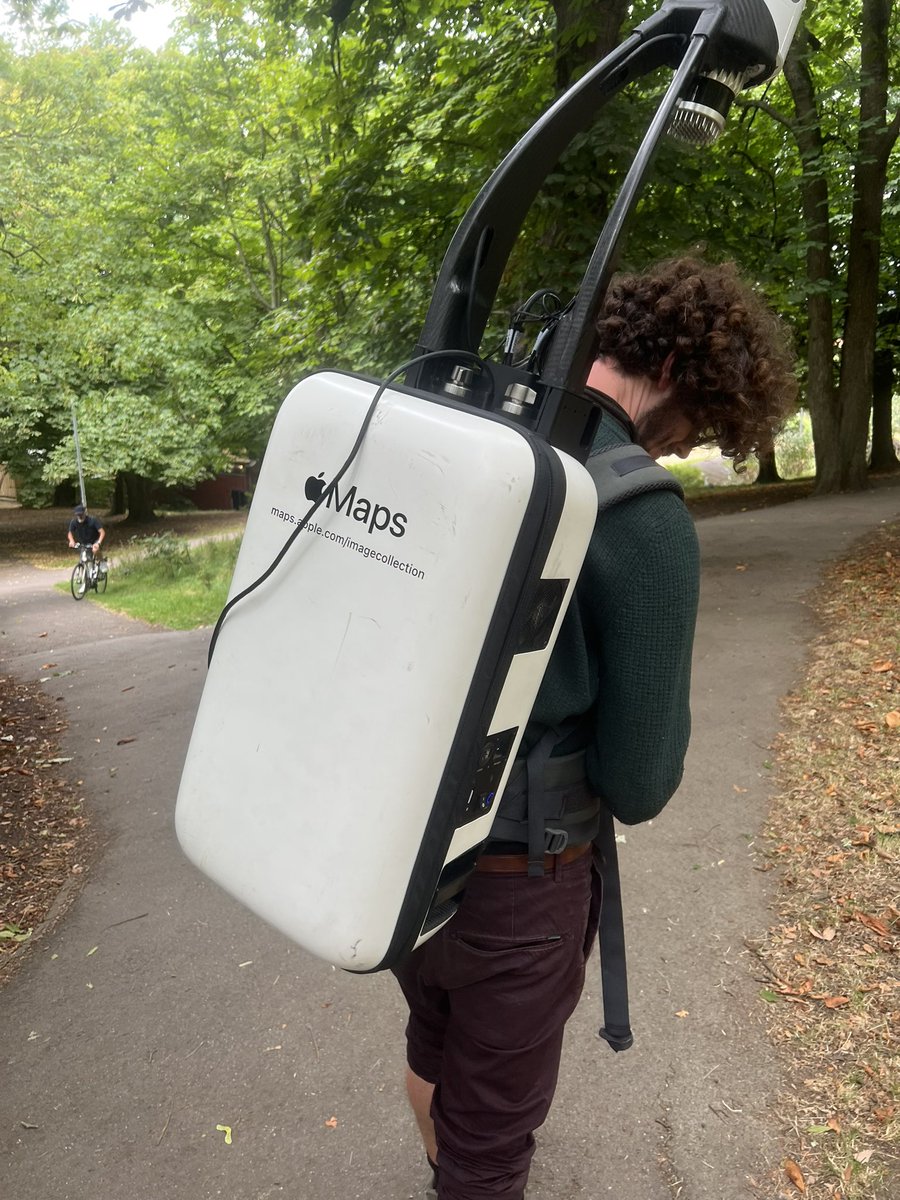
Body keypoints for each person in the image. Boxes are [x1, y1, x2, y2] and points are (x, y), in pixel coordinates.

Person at [391, 257, 798, 1200]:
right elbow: (642, 779)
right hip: (518, 888)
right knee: (490, 1147)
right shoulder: (644, 523)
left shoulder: (466, 437)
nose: (675, 448)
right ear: (685, 386)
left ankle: (431, 1164)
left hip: (399, 859)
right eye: (693, 426)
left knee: (433, 1038)